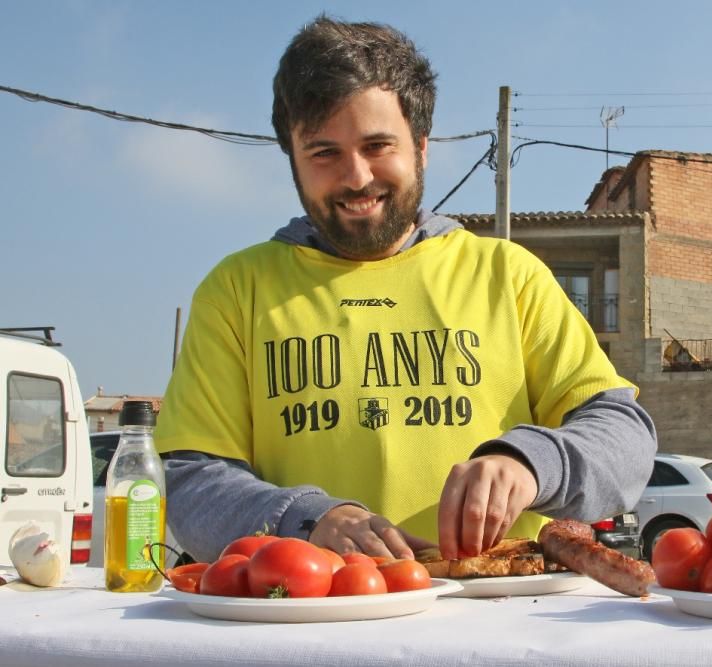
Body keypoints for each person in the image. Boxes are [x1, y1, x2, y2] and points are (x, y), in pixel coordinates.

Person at [154, 15, 657, 564]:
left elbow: (623, 434)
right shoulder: (237, 290)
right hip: (302, 624)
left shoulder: (508, 275)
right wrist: (305, 519)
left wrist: (530, 462)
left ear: (421, 147)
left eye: (377, 145)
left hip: (495, 620)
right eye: (323, 153)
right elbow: (191, 481)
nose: (356, 176)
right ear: (293, 159)